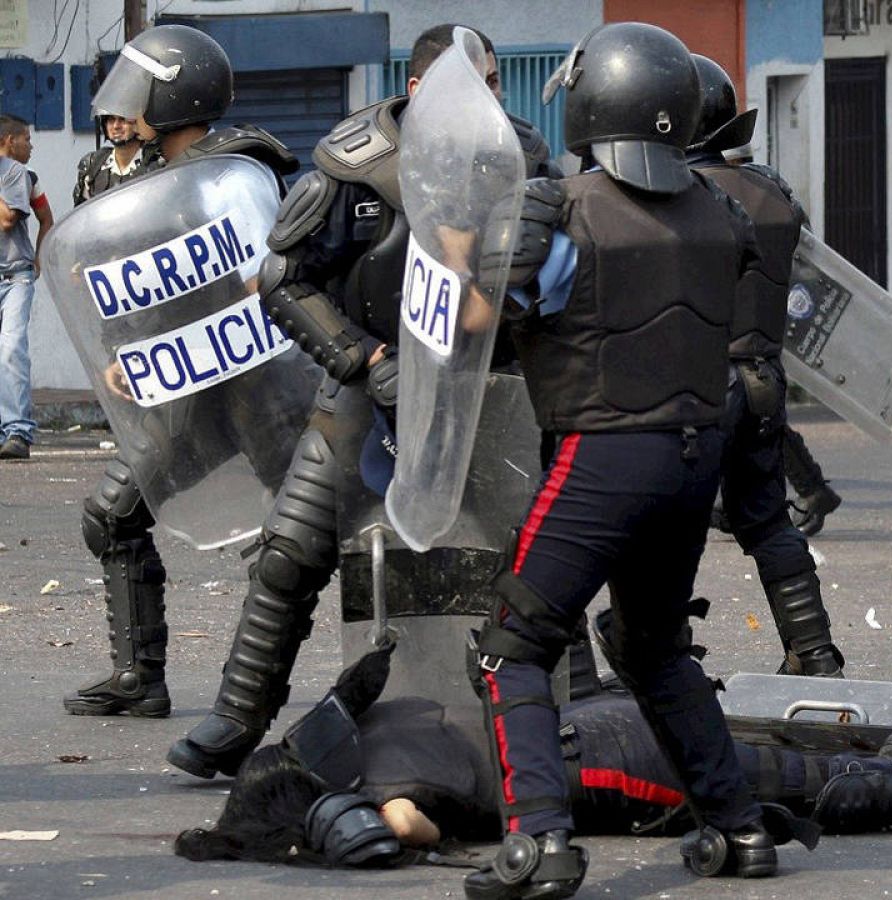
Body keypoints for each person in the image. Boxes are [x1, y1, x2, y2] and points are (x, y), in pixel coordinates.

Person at [165, 23, 555, 777]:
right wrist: (364, 357)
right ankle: (237, 716)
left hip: (487, 393)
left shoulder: (526, 160)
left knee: (535, 559)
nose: (484, 98)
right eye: (465, 83)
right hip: (362, 387)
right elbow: (283, 279)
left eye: (492, 82)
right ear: (417, 88)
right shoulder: (354, 162)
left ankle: (572, 707)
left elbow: (552, 275)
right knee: (289, 554)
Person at [460, 22, 785, 898]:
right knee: (652, 646)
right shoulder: (720, 210)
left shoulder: (560, 210)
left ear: (592, 104)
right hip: (694, 456)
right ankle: (740, 827)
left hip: (601, 454)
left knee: (511, 648)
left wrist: (457, 257)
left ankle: (539, 844)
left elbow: (483, 321)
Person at [172, 639, 892, 869]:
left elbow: (399, 832)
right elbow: (358, 685)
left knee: (812, 786)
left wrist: (327, 843)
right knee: (791, 766)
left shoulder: (389, 792)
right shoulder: (353, 720)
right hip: (589, 716)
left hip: (601, 765)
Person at [63, 24, 302, 718]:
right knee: (111, 517)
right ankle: (139, 677)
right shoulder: (157, 173)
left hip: (257, 390)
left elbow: (253, 276)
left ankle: (248, 696)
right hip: (187, 389)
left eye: (137, 91)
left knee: (288, 547)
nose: (123, 108)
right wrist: (127, 353)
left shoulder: (233, 171)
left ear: (172, 95)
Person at [685, 54, 845, 677]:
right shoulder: (772, 192)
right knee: (769, 523)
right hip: (763, 378)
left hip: (696, 386)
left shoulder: (676, 196)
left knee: (664, 527)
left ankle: (661, 654)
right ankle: (815, 652)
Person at [0, 116, 39, 461]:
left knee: (12, 349)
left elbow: (6, 219)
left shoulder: (14, 173)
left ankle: (17, 431)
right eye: (26, 138)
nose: (31, 144)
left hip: (15, 277)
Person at [73, 115, 160, 206]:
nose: (116, 126)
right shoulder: (93, 164)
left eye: (123, 119)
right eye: (111, 119)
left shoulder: (156, 165)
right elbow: (82, 211)